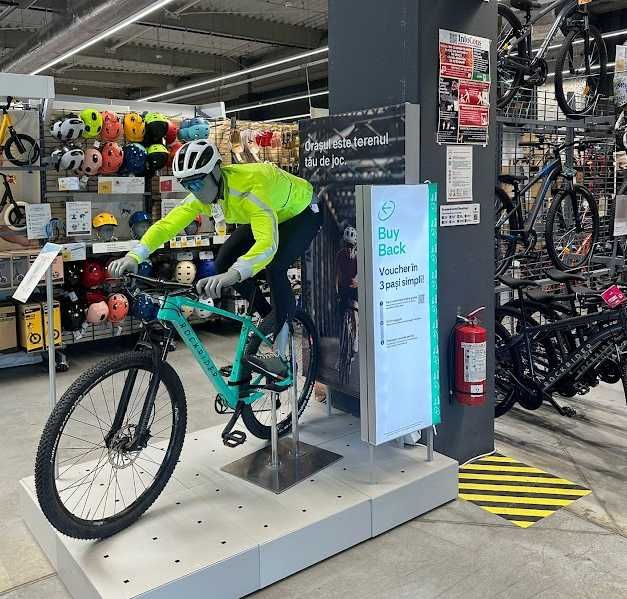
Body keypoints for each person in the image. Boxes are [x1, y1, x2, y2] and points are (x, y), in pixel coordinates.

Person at [109, 139, 322, 366]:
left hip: (302, 211)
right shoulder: (203, 195)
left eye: (197, 183)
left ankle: (280, 352)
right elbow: (167, 225)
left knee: (275, 267)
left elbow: (267, 245)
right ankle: (269, 319)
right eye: (187, 185)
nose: (195, 191)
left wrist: (235, 274)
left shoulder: (250, 189)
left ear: (216, 172)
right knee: (222, 262)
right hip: (271, 211)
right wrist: (135, 255)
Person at [335, 225, 359, 367]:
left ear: (355, 245)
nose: (348, 248)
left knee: (355, 311)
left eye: (351, 246)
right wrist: (336, 292)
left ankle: (355, 339)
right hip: (344, 288)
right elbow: (337, 275)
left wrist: (358, 280)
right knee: (341, 318)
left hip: (355, 289)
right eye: (346, 245)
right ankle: (341, 353)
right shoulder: (340, 255)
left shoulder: (359, 256)